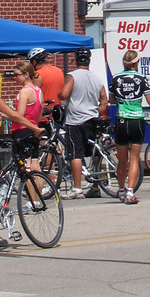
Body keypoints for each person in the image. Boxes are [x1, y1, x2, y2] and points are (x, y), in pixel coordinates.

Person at [59, 47, 108, 198]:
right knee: (94, 151)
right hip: (92, 119)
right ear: (89, 60)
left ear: (75, 59)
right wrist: (94, 111)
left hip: (75, 120)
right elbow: (104, 101)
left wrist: (59, 94)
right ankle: (95, 186)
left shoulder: (71, 76)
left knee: (75, 154)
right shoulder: (96, 78)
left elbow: (64, 94)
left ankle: (77, 188)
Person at [109, 49, 150, 204]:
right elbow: (149, 100)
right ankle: (130, 191)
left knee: (122, 159)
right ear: (136, 63)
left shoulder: (115, 78)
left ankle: (121, 190)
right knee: (134, 158)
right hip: (136, 120)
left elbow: (112, 100)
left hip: (121, 120)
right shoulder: (142, 79)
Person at [28, 47, 65, 119]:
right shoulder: (59, 71)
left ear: (34, 62)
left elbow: (33, 97)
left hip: (43, 115)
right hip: (57, 113)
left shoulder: (37, 74)